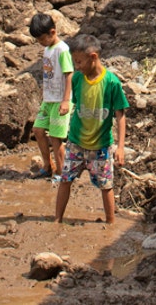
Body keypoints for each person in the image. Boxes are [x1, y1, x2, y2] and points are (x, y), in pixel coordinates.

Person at [53, 35, 129, 225]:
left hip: (101, 146)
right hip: (76, 142)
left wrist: (120, 147)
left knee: (106, 186)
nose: (76, 66)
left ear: (93, 57)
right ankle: (57, 219)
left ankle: (110, 222)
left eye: (79, 61)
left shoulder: (111, 83)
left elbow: (120, 115)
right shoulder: (78, 79)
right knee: (65, 180)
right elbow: (75, 104)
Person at [30, 12, 74, 179]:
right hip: (48, 99)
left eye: (42, 39)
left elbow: (69, 74)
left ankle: (61, 172)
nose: (40, 43)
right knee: (38, 130)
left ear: (53, 32)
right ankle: (47, 165)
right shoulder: (48, 49)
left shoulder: (62, 50)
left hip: (60, 100)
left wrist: (65, 101)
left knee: (56, 138)